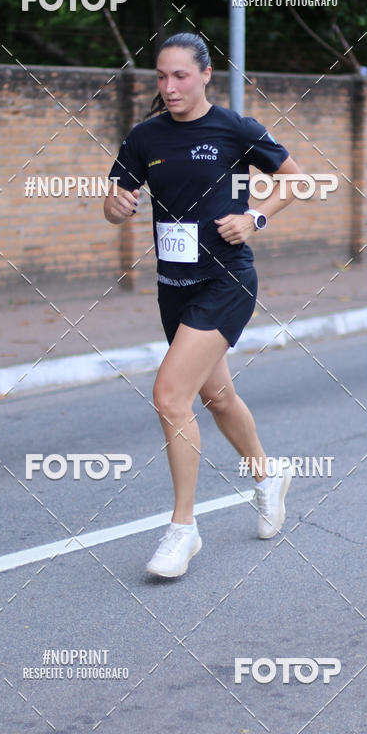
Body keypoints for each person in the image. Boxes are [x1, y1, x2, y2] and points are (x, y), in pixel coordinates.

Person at [104, 32, 306, 578]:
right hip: (174, 287)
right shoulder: (145, 136)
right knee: (217, 397)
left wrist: (255, 217)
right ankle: (268, 477)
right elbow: (114, 202)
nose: (169, 86)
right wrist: (116, 206)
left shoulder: (235, 129)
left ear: (206, 75)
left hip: (226, 282)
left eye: (181, 76)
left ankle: (183, 530)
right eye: (162, 77)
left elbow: (295, 180)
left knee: (170, 396)